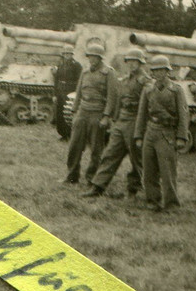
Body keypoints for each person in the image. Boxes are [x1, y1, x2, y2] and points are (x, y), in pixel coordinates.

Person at [82, 47, 151, 198]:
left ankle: (134, 189)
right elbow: (119, 100)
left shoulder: (145, 81)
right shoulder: (125, 80)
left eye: (135, 62)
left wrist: (142, 127)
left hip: (136, 121)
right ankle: (98, 186)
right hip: (122, 121)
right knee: (110, 154)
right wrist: (114, 120)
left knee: (136, 159)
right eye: (130, 61)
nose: (132, 64)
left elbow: (149, 105)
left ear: (141, 63)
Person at [134, 55, 189, 211]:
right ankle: (152, 201)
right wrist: (139, 135)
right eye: (156, 71)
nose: (158, 73)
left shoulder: (176, 90)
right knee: (149, 169)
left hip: (167, 133)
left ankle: (171, 204)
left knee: (167, 171)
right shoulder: (148, 89)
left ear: (167, 71)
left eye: (162, 70)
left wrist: (181, 137)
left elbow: (183, 114)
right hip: (150, 132)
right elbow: (142, 114)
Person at [64, 44, 118, 185]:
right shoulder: (85, 71)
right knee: (74, 145)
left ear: (100, 58)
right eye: (90, 56)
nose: (91, 59)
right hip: (83, 110)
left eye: (94, 57)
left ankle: (91, 178)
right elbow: (79, 91)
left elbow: (112, 96)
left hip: (97, 112)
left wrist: (106, 116)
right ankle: (72, 176)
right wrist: (74, 111)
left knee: (96, 149)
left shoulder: (108, 72)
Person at [53, 46, 82, 140]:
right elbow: (56, 80)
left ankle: (70, 134)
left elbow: (79, 80)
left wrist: (76, 93)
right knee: (60, 113)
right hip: (60, 90)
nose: (66, 55)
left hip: (70, 91)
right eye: (65, 54)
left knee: (69, 113)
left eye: (68, 54)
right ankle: (63, 134)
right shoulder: (61, 65)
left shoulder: (76, 65)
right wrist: (55, 94)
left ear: (72, 54)